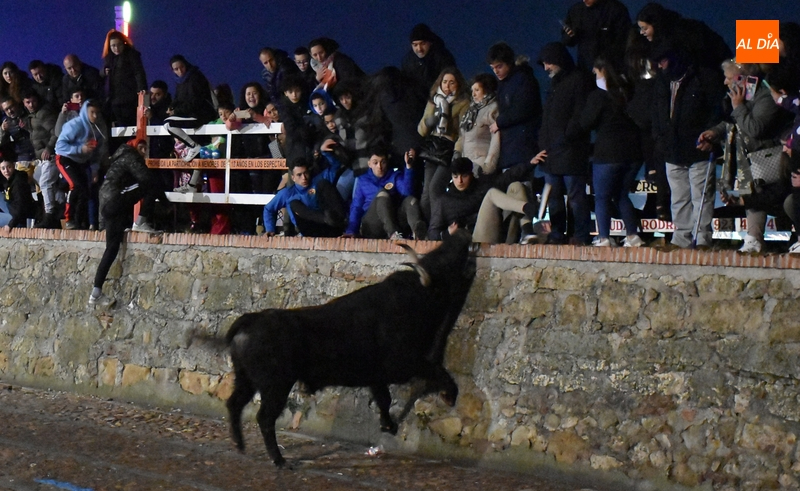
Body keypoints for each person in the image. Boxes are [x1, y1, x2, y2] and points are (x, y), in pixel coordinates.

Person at [700, 61, 794, 253]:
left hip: (770, 158)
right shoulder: (743, 96)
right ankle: (753, 238)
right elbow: (734, 121)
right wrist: (715, 132)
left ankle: (790, 236)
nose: (725, 82)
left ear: (742, 78)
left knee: (774, 197)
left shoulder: (765, 97)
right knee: (752, 193)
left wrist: (738, 106)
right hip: (749, 159)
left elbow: (754, 128)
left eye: (728, 78)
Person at [651, 43, 725, 249]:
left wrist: (711, 139)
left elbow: (715, 111)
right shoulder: (662, 82)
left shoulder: (702, 78)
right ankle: (681, 239)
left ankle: (702, 240)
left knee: (702, 197)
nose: (660, 66)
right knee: (679, 198)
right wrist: (661, 139)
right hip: (672, 150)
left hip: (699, 149)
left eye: (663, 61)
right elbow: (656, 113)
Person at [570, 58, 644, 247]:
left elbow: (585, 123)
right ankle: (633, 235)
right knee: (621, 195)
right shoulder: (628, 94)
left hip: (608, 153)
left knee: (602, 197)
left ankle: (604, 237)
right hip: (634, 154)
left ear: (603, 70)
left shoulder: (598, 96)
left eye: (596, 72)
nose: (594, 75)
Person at [88, 139, 169, 308]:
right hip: (116, 200)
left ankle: (96, 293)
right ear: (134, 146)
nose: (144, 151)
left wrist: (102, 223)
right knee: (151, 182)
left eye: (146, 148)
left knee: (111, 249)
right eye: (141, 147)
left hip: (109, 206)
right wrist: (166, 203)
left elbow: (105, 191)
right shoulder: (130, 156)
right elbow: (146, 179)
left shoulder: (118, 158)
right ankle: (140, 222)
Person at [532, 42, 594, 246]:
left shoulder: (578, 80)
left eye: (548, 62)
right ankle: (557, 235)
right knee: (555, 197)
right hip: (552, 153)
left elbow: (580, 115)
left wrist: (566, 136)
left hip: (571, 151)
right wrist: (543, 143)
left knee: (576, 197)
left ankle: (581, 236)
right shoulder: (554, 85)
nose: (546, 67)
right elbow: (547, 119)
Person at [429, 156, 536, 242]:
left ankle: (528, 232)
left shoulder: (481, 186)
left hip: (499, 233)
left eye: (464, 176)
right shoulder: (444, 200)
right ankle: (529, 208)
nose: (460, 181)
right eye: (455, 177)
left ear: (471, 174)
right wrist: (447, 233)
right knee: (491, 194)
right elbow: (432, 233)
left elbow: (506, 177)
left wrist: (529, 164)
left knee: (516, 186)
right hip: (473, 242)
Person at [418, 67, 470, 220]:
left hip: (448, 149)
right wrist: (429, 122)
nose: (447, 86)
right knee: (426, 194)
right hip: (432, 148)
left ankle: (438, 224)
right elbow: (421, 130)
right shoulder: (433, 101)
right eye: (445, 82)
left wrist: (458, 151)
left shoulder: (463, 103)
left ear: (458, 84)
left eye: (452, 82)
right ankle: (428, 226)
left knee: (435, 188)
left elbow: (463, 132)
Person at [262, 148, 346, 237]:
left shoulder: (317, 182)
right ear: (293, 178)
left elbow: (335, 166)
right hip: (308, 229)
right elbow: (268, 209)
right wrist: (270, 229)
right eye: (299, 175)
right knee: (294, 203)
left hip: (328, 225)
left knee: (324, 183)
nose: (304, 178)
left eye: (305, 173)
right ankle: (326, 219)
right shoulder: (287, 193)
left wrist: (325, 152)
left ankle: (343, 224)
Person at [344, 146, 424, 240]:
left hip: (393, 219)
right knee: (382, 195)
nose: (379, 166)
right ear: (369, 164)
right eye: (375, 163)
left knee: (410, 200)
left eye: (383, 162)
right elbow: (356, 207)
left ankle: (418, 234)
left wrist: (409, 167)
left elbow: (407, 192)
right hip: (372, 225)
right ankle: (393, 234)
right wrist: (351, 231)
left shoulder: (394, 175)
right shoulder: (363, 180)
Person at [486, 42, 542, 170]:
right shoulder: (503, 83)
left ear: (509, 62)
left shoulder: (523, 79)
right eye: (492, 68)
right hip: (510, 148)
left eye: (499, 66)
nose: (496, 71)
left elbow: (523, 108)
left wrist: (499, 122)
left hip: (523, 146)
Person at [55, 99, 109, 230]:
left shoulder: (98, 130)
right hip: (66, 158)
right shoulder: (75, 125)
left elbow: (98, 152)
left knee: (86, 191)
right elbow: (59, 145)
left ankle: (78, 221)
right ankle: (68, 219)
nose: (95, 116)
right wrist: (80, 149)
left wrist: (94, 169)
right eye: (92, 112)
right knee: (75, 185)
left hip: (82, 162)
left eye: (97, 113)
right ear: (85, 112)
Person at [163, 55, 217, 175]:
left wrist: (176, 111)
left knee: (168, 123)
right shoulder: (180, 81)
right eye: (176, 69)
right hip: (189, 115)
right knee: (197, 160)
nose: (180, 71)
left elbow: (195, 102)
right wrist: (171, 106)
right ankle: (192, 184)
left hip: (200, 115)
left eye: (181, 67)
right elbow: (178, 98)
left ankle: (193, 146)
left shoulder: (195, 77)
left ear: (186, 64)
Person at [561, 0, 631, 73]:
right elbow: (567, 40)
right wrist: (569, 36)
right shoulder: (576, 10)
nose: (584, 0)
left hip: (611, 69)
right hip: (585, 68)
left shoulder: (616, 9)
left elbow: (623, 42)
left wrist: (603, 62)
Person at [455, 73, 500, 177]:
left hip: (481, 164)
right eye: (472, 91)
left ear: (487, 90)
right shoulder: (471, 111)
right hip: (466, 164)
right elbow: (463, 135)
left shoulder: (493, 108)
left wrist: (488, 165)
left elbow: (496, 138)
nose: (473, 94)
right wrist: (457, 152)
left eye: (477, 90)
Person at [400, 23, 457, 102]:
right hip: (416, 102)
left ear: (430, 42)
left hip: (440, 100)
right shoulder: (408, 61)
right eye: (415, 45)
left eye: (423, 44)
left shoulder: (443, 57)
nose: (419, 49)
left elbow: (451, 82)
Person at [102, 29, 147, 127]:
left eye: (119, 45)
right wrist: (104, 72)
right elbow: (103, 75)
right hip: (114, 98)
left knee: (130, 123)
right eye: (113, 46)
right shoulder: (109, 58)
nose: (116, 48)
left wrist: (141, 88)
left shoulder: (131, 55)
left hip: (129, 96)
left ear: (124, 43)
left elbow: (139, 72)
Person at [0, 144, 37, 231]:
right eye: (3, 168)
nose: (6, 171)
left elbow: (21, 206)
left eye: (9, 167)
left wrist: (11, 224)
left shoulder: (18, 182)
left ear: (13, 166)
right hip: (12, 210)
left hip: (20, 217)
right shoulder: (9, 179)